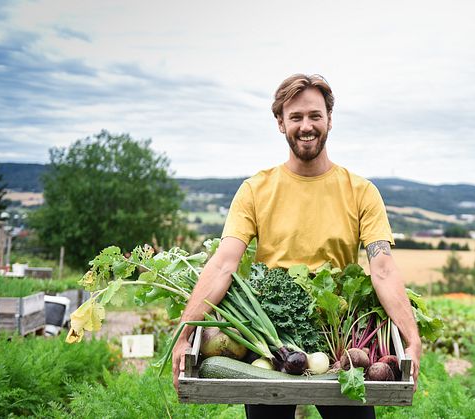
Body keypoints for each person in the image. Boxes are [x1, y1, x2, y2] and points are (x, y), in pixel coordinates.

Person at [171, 74, 422, 419]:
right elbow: (223, 264)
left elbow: (383, 268)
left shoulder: (361, 191)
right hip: (274, 342)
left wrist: (412, 338)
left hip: (337, 344)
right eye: (296, 117)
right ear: (280, 123)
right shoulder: (255, 190)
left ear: (329, 120)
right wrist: (185, 333)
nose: (307, 126)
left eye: (315, 116)